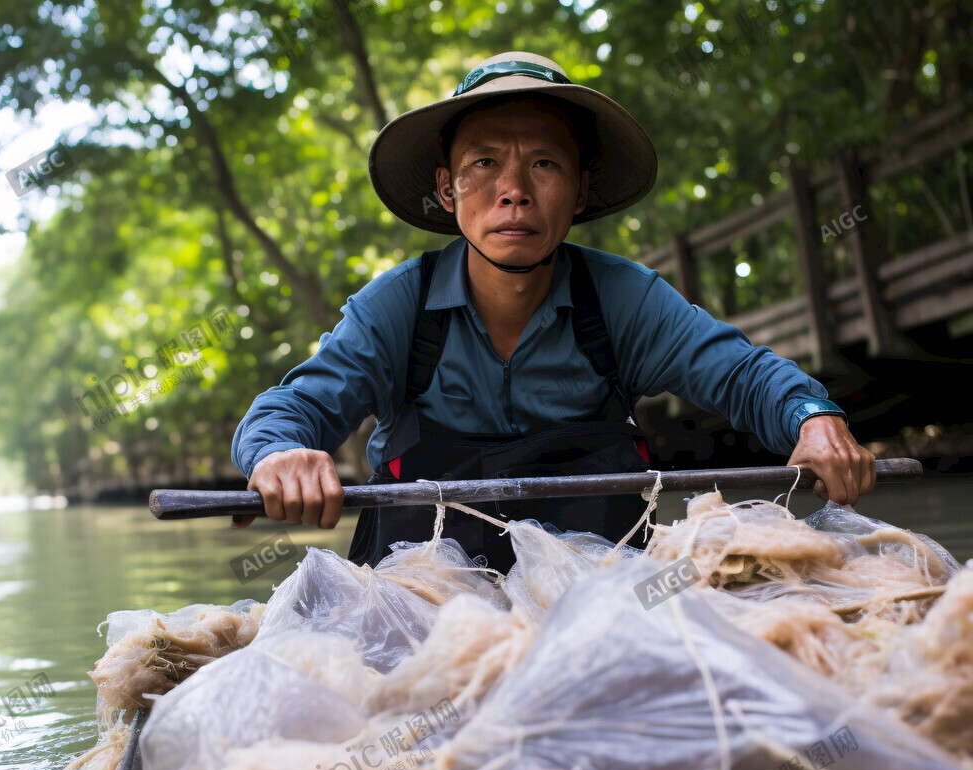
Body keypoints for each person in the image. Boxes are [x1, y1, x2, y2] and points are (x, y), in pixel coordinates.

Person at [232, 51, 875, 570]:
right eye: (484, 163)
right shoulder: (397, 307)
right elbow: (291, 408)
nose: (513, 191)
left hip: (602, 595)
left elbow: (742, 373)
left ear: (580, 190)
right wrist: (279, 454)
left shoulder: (624, 299)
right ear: (446, 189)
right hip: (424, 601)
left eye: (543, 163)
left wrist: (812, 418)